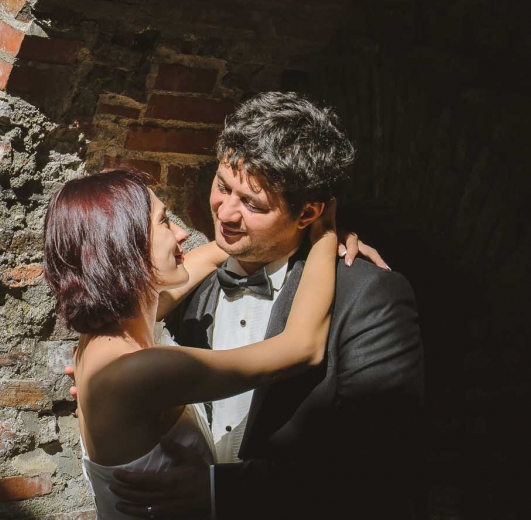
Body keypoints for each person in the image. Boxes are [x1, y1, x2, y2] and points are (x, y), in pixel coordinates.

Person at [93, 93, 424, 520]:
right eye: (222, 186)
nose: (226, 213)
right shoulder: (183, 289)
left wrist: (220, 493)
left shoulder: (370, 296)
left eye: (252, 203)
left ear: (308, 212)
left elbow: (380, 467)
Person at [45, 168, 351, 520]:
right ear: (123, 244)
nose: (182, 233)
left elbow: (209, 256)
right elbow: (303, 346)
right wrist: (325, 233)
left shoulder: (113, 328)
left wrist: (280, 233)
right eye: (163, 222)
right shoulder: (138, 370)